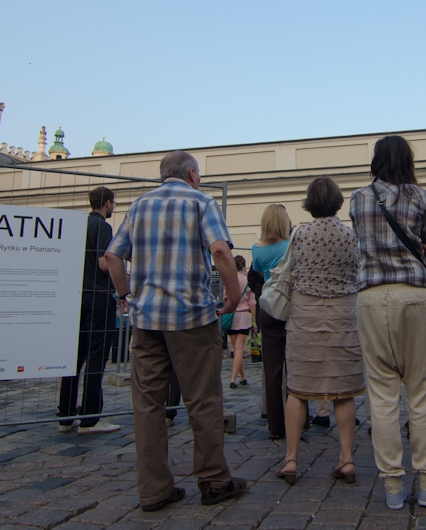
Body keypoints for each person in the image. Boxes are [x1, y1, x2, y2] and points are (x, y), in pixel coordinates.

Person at [105, 151, 246, 511]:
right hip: (192, 319)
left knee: (148, 406)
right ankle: (214, 481)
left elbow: (113, 257)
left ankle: (154, 490)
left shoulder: (138, 206)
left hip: (146, 320)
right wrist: (233, 296)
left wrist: (125, 296)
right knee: (203, 401)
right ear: (193, 174)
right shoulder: (202, 202)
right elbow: (220, 250)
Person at [349, 135, 426, 510]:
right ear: (408, 160)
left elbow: (361, 242)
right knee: (421, 393)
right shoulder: (420, 196)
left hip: (371, 298)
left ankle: (392, 486)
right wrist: (421, 248)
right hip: (415, 294)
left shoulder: (358, 198)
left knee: (382, 394)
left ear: (376, 161)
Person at [276, 177, 364, 486]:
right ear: (338, 201)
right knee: (344, 388)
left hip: (305, 314)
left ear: (310, 201)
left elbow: (290, 270)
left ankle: (290, 460)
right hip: (343, 313)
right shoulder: (351, 236)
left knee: (298, 388)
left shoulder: (300, 234)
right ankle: (347, 459)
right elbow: (358, 271)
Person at [57, 186, 121, 434]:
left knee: (74, 357)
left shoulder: (80, 225)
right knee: (96, 358)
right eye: (113, 203)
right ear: (106, 204)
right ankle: (90, 418)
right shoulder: (102, 227)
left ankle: (66, 414)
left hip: (78, 296)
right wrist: (122, 275)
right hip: (98, 297)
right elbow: (105, 263)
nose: (113, 207)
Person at [252, 204, 292, 440]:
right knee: (295, 368)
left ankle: (275, 426)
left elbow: (257, 271)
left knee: (272, 369)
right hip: (290, 307)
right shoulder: (291, 246)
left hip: (267, 307)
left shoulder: (257, 249)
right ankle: (300, 420)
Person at [226, 255, 256, 389]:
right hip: (244, 316)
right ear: (244, 265)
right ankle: (233, 379)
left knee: (235, 348)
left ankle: (243, 377)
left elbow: (225, 297)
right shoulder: (247, 280)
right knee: (239, 349)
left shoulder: (229, 279)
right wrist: (254, 322)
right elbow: (252, 303)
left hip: (231, 316)